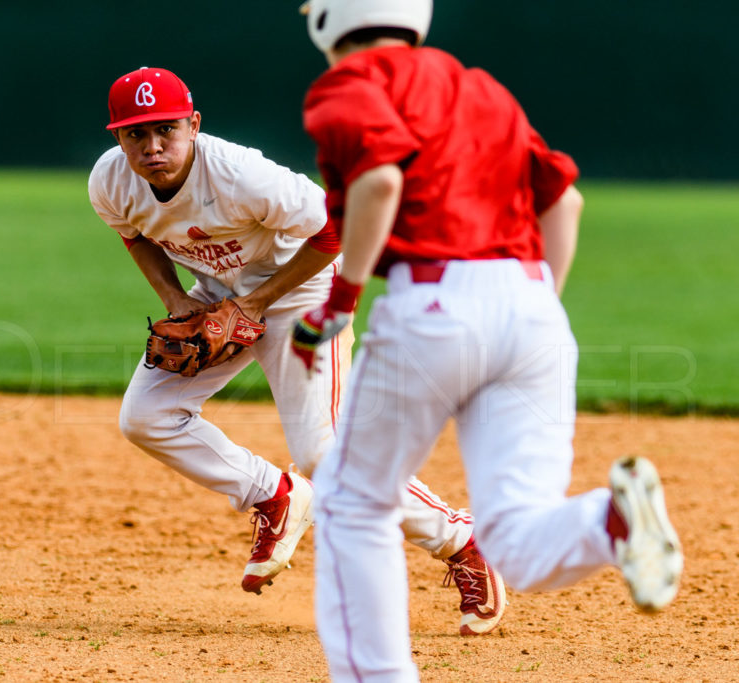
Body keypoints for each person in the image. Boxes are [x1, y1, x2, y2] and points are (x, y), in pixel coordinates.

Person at [291, 0, 685, 679]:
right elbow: (565, 200)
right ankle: (608, 523)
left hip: (434, 301)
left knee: (353, 502)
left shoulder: (350, 84)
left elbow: (381, 179)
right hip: (532, 305)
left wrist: (339, 300)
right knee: (515, 535)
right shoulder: (479, 85)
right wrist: (525, 317)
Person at [88, 65, 507, 636]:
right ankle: (275, 496)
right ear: (117, 137)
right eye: (136, 133)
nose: (153, 145)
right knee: (146, 417)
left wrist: (257, 305)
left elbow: (337, 228)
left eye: (166, 129)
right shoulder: (110, 182)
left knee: (322, 453)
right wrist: (173, 297)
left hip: (302, 289)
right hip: (220, 290)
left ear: (194, 124)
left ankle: (461, 538)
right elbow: (134, 233)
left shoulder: (242, 176)